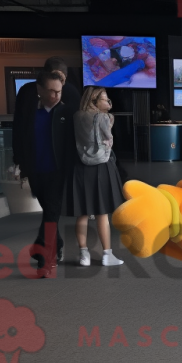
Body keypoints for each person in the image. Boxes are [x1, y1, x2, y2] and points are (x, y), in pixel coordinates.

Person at [12, 69, 76, 276]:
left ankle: (45, 261)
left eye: (59, 91)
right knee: (50, 213)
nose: (56, 96)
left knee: (51, 214)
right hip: (35, 172)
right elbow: (18, 136)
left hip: (58, 173)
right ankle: (55, 244)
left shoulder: (67, 112)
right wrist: (18, 163)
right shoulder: (29, 112)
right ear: (39, 89)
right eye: (51, 91)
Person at [71, 86, 125, 267]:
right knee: (102, 212)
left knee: (82, 213)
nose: (108, 102)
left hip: (80, 167)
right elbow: (108, 138)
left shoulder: (77, 116)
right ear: (94, 101)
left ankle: (83, 254)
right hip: (101, 166)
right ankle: (107, 254)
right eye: (105, 99)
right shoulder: (104, 117)